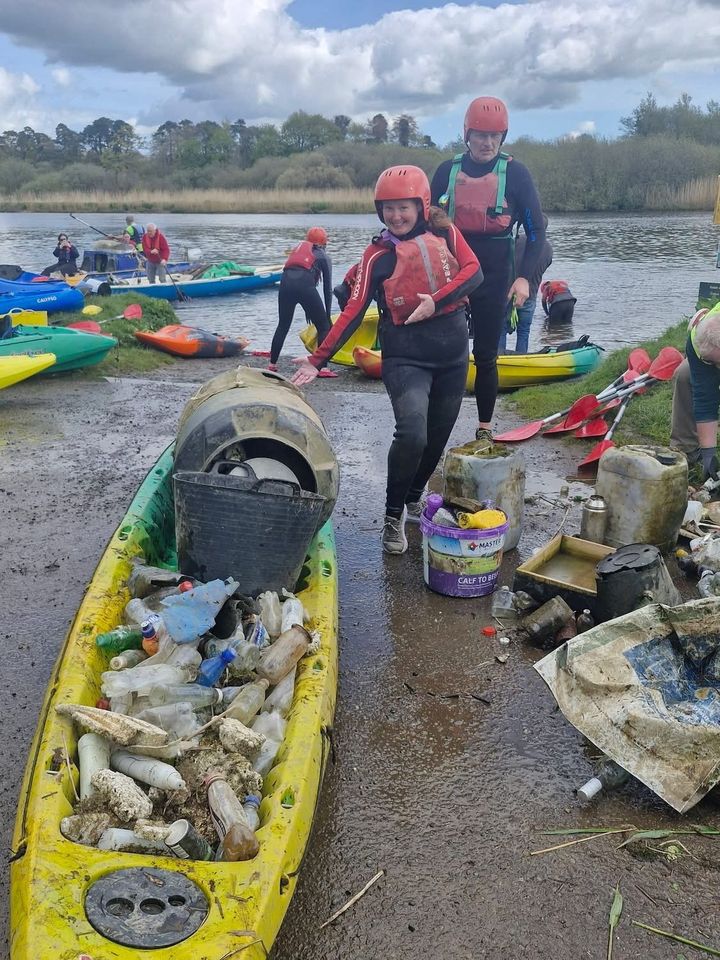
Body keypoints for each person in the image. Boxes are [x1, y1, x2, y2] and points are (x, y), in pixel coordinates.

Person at [291, 165, 482, 555]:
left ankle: (415, 497)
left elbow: (474, 272)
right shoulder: (378, 254)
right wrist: (317, 359)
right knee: (413, 432)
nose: (396, 216)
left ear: (421, 205)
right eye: (389, 209)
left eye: (404, 208)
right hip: (406, 358)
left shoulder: (446, 231)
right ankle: (393, 516)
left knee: (437, 438)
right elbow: (354, 310)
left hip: (452, 355)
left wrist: (437, 301)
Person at [431, 96, 546, 441]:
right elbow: (422, 226)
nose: (487, 142)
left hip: (494, 277)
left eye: (494, 136)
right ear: (467, 134)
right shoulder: (445, 172)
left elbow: (536, 232)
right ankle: (435, 419)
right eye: (480, 135)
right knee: (444, 350)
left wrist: (524, 279)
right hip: (450, 273)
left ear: (503, 137)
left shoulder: (516, 173)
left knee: (485, 354)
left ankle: (484, 427)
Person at [270, 227, 334, 375]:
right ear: (324, 243)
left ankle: (272, 364)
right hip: (305, 287)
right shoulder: (323, 256)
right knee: (324, 326)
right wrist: (328, 315)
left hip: (285, 285)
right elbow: (327, 288)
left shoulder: (297, 250)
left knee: (283, 325)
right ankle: (322, 367)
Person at [671, 304, 720, 479]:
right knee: (684, 375)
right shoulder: (696, 340)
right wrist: (709, 454)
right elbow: (705, 396)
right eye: (712, 362)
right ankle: (687, 450)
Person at [498, 215, 552, 354]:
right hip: (530, 295)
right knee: (524, 332)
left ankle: (499, 360)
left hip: (508, 292)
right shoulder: (548, 249)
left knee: (501, 328)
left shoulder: (517, 240)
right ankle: (521, 360)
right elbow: (545, 265)